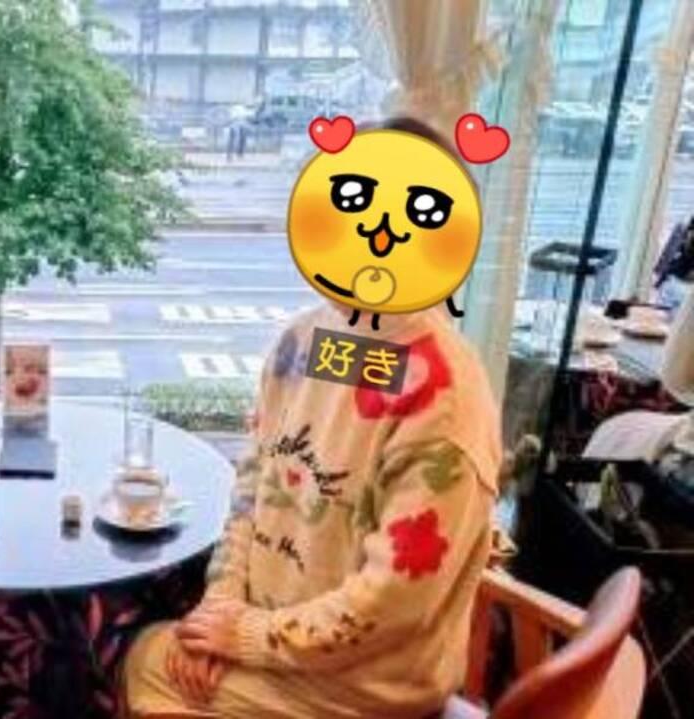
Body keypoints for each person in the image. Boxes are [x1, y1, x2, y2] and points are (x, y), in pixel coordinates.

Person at [123, 122, 501, 718]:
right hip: (283, 645)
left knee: (136, 663)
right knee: (154, 653)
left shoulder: (447, 396)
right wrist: (222, 611)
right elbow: (252, 489)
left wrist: (246, 635)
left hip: (368, 686)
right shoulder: (303, 343)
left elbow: (394, 603)